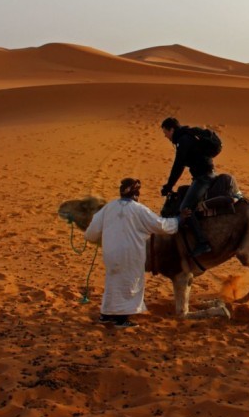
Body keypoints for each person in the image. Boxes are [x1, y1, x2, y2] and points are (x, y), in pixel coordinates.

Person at [85, 178, 180, 328]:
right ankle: (121, 319)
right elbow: (161, 226)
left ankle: (106, 315)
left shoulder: (108, 208)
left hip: (111, 254)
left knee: (113, 282)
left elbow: (90, 234)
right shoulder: (138, 209)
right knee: (129, 284)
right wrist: (179, 220)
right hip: (130, 254)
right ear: (136, 194)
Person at [160, 117, 214, 257]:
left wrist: (168, 186)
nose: (165, 136)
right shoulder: (187, 137)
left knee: (185, 208)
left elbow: (178, 166)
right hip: (203, 176)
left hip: (203, 178)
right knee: (182, 193)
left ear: (171, 129)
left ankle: (202, 243)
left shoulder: (183, 140)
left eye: (165, 132)